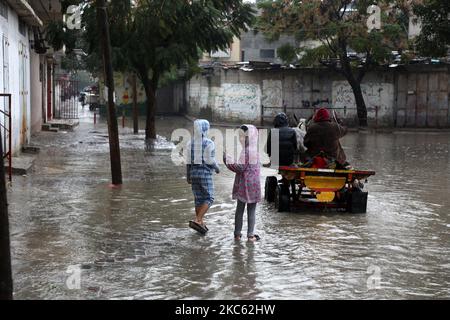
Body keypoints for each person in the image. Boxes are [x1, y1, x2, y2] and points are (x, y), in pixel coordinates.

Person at [224, 125, 261, 242]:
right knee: (252, 210)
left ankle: (237, 235)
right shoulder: (255, 149)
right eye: (239, 137)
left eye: (243, 137)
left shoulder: (246, 151)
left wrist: (227, 159)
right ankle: (250, 235)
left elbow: (240, 168)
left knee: (240, 209)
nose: (240, 139)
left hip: (245, 184)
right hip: (254, 185)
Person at [186, 119, 220, 234]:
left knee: (198, 199)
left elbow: (188, 162)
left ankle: (199, 223)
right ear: (206, 129)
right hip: (205, 174)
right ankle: (198, 219)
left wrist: (188, 176)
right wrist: (217, 168)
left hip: (193, 174)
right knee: (209, 198)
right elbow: (210, 160)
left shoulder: (190, 143)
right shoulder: (208, 142)